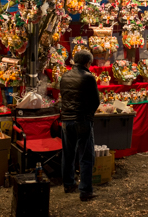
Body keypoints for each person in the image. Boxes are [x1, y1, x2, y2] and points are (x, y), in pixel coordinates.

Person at [59, 50, 100, 202]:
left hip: (66, 120)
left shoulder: (64, 76)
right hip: (82, 119)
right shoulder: (88, 77)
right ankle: (85, 191)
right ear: (87, 63)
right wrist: (89, 115)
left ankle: (68, 184)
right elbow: (95, 101)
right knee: (85, 156)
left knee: (68, 154)